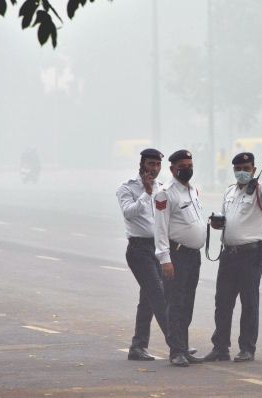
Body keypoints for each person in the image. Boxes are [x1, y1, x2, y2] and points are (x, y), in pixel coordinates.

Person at [204, 152, 262, 362]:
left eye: (246, 169)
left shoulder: (260, 190)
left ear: (254, 170)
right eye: (238, 169)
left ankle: (247, 348)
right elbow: (226, 218)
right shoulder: (229, 191)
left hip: (251, 254)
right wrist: (217, 224)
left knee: (249, 301)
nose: (242, 172)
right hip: (229, 254)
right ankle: (220, 348)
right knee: (222, 302)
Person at [116, 148, 183, 362]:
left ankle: (138, 346)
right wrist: (145, 193)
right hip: (138, 250)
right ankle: (177, 345)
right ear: (142, 164)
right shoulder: (127, 187)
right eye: (150, 164)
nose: (153, 169)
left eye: (157, 165)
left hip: (158, 249)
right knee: (159, 295)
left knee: (148, 299)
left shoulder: (162, 188)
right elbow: (129, 213)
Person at [154, 149, 207, 367]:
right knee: (175, 304)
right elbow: (160, 228)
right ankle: (176, 351)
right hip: (176, 256)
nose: (187, 168)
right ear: (172, 168)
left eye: (189, 164)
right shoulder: (165, 193)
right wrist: (165, 259)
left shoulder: (192, 190)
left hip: (193, 256)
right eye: (182, 166)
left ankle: (184, 347)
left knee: (187, 304)